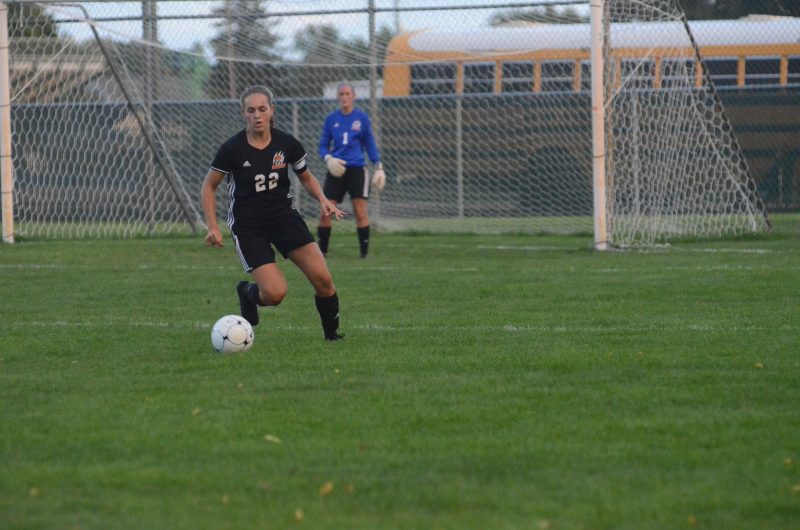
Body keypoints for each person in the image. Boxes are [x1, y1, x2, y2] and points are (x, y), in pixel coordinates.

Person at [201, 85, 347, 341]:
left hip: (283, 218)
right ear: (243, 113)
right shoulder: (232, 149)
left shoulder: (286, 143)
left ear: (271, 111)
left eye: (262, 109)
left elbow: (306, 177)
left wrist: (323, 199)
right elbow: (208, 186)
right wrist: (212, 226)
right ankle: (247, 292)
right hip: (249, 226)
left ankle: (332, 337)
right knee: (275, 294)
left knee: (323, 278)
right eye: (250, 110)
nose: (257, 115)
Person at [318, 82, 386, 258]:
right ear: (338, 97)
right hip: (336, 169)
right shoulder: (331, 119)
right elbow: (323, 145)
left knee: (360, 210)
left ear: (354, 96)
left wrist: (378, 165)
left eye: (347, 93)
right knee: (326, 211)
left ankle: (364, 254)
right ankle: (321, 252)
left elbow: (369, 144)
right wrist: (329, 159)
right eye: (341, 94)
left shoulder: (362, 118)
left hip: (357, 169)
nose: (344, 97)